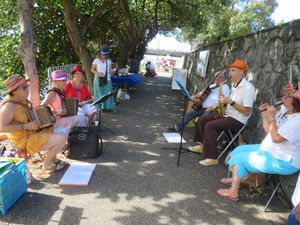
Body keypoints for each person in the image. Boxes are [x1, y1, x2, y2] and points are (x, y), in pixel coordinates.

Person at [216, 89, 300, 202]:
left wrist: (271, 118)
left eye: (288, 97)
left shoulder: (297, 122)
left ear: (296, 103)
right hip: (272, 151)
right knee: (238, 150)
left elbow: (275, 138)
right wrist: (266, 116)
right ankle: (236, 178)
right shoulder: (286, 111)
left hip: (284, 161)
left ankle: (233, 192)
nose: (283, 98)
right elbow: (269, 131)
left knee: (240, 159)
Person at [189, 59, 256, 165]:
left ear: (241, 71)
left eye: (233, 71)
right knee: (202, 119)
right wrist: (220, 105)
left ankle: (212, 157)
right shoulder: (234, 85)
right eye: (230, 71)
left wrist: (230, 102)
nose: (229, 74)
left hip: (238, 119)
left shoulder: (248, 88)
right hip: (227, 114)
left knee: (210, 126)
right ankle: (202, 146)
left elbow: (247, 111)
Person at [0, 75, 67, 171]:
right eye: (24, 87)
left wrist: (46, 117)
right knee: (62, 137)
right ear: (14, 91)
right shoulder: (8, 106)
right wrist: (24, 126)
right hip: (25, 141)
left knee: (61, 130)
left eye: (27, 86)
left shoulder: (21, 100)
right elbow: (1, 128)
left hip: (33, 134)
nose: (28, 89)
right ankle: (47, 163)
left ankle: (52, 158)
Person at [91, 47, 116, 111]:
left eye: (105, 54)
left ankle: (108, 107)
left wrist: (112, 71)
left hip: (107, 79)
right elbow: (92, 69)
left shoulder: (109, 61)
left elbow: (110, 70)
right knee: (99, 93)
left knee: (107, 93)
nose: (104, 56)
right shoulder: (96, 60)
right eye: (103, 54)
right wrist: (97, 73)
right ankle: (99, 107)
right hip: (98, 79)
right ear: (100, 54)